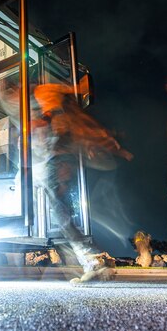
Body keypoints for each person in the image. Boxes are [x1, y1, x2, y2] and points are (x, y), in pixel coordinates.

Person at [31, 81, 132, 283]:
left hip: (56, 165)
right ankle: (90, 262)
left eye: (42, 100)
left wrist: (37, 127)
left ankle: (92, 262)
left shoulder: (52, 114)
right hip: (57, 165)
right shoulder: (62, 117)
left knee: (61, 217)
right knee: (61, 217)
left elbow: (56, 137)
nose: (40, 103)